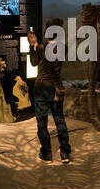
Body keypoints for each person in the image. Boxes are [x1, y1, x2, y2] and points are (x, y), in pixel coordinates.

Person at [27, 18, 71, 164]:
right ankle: (65, 152)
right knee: (59, 120)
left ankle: (47, 152)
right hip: (56, 87)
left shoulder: (41, 47)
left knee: (42, 121)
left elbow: (33, 63)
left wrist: (32, 45)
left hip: (41, 87)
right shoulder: (63, 47)